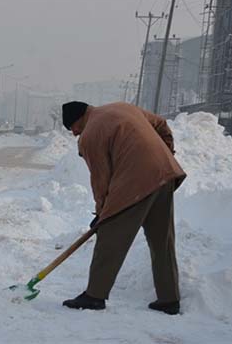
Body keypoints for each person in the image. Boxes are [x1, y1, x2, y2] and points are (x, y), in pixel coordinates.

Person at [61, 101, 186, 315]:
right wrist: (164, 154)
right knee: (162, 241)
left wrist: (102, 214)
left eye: (72, 127)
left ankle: (94, 295)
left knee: (110, 239)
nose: (73, 133)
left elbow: (101, 179)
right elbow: (162, 124)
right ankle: (169, 299)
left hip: (134, 183)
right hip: (164, 174)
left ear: (79, 118)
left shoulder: (90, 135)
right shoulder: (123, 107)